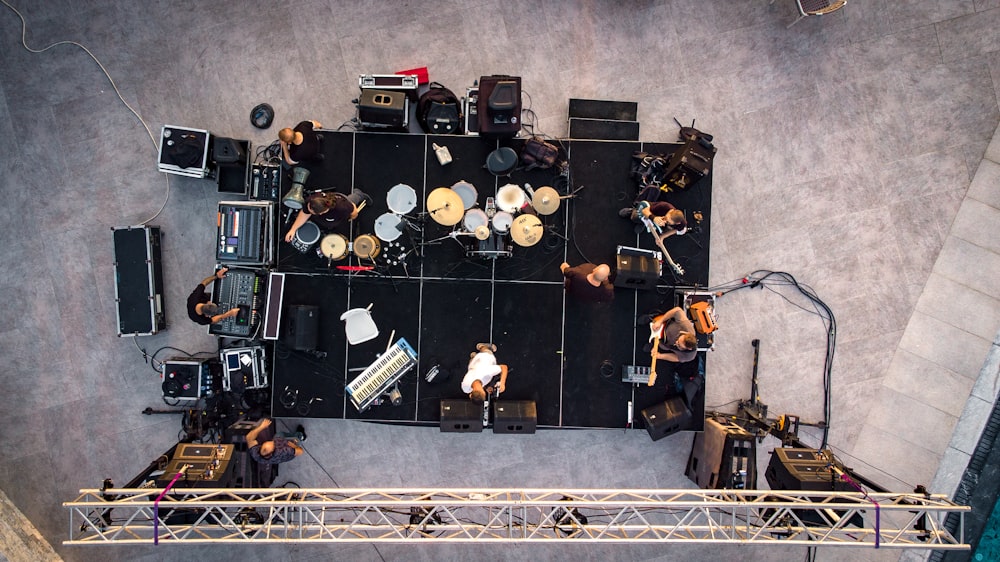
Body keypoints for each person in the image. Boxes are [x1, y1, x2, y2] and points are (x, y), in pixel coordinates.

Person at [284, 189, 372, 242]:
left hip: (344, 206)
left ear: (322, 212)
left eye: (312, 213)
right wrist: (293, 229)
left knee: (352, 199)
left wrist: (352, 218)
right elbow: (305, 213)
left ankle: (359, 194)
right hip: (330, 218)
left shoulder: (342, 207)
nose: (309, 212)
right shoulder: (312, 201)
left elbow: (354, 211)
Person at [619, 200, 688, 239]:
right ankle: (632, 210)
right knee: (634, 218)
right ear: (670, 211)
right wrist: (654, 218)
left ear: (677, 223)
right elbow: (645, 211)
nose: (665, 220)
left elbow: (678, 230)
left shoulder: (682, 224)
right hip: (650, 212)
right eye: (666, 217)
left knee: (666, 229)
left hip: (653, 220)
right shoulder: (664, 206)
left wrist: (662, 237)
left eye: (668, 222)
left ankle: (643, 223)